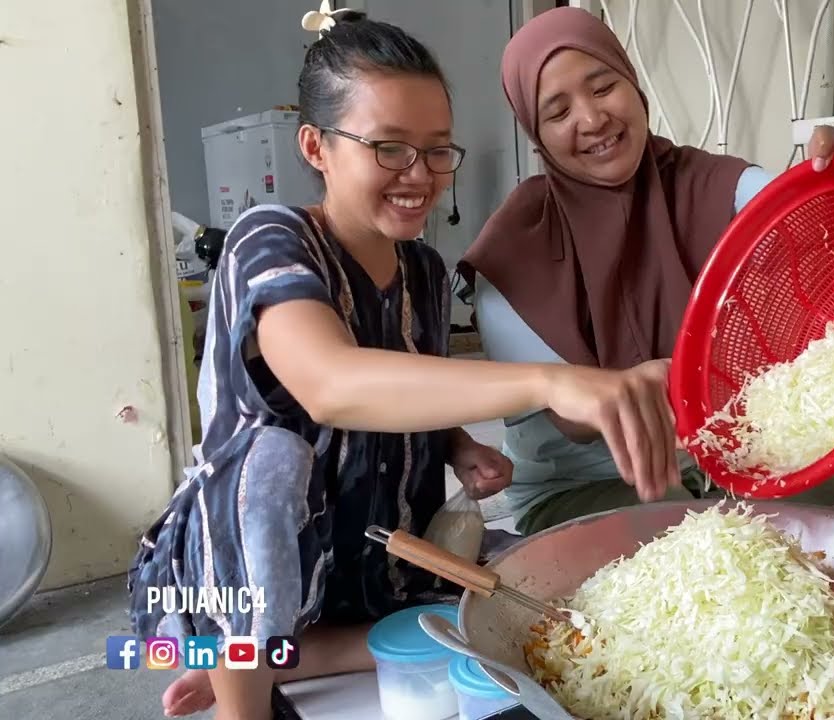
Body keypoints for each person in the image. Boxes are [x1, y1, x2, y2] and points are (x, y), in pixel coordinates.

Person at [130, 10, 682, 720]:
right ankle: (245, 685)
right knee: (266, 465)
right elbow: (331, 385)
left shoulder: (423, 268)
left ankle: (280, 654)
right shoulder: (271, 239)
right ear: (316, 147)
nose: (419, 176)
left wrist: (458, 443)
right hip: (256, 569)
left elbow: (407, 392)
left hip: (378, 566)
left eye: (437, 151)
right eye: (389, 148)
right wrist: (554, 378)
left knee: (555, 589)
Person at [458, 6, 834, 537]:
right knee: (712, 554)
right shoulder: (512, 252)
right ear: (536, 134)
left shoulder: (710, 185)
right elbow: (576, 417)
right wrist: (688, 384)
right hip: (586, 486)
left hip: (735, 460)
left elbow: (817, 233)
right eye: (558, 111)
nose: (592, 120)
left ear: (635, 88)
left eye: (603, 86)